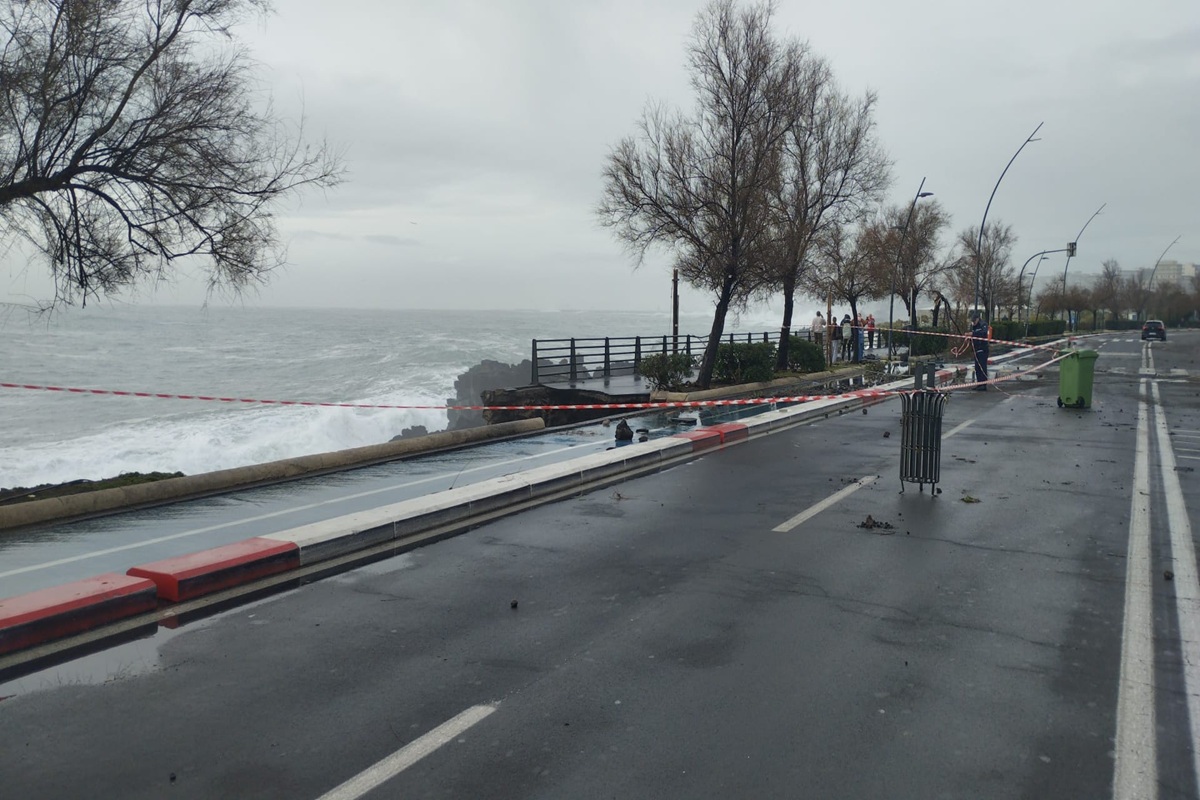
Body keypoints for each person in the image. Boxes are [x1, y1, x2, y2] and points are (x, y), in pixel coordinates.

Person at [970, 310, 990, 390]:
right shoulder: (974, 326)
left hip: (983, 349)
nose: (973, 322)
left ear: (978, 319)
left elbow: (983, 334)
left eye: (974, 321)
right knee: (977, 368)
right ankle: (979, 383)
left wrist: (973, 334)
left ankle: (983, 385)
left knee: (982, 367)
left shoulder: (983, 325)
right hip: (976, 350)